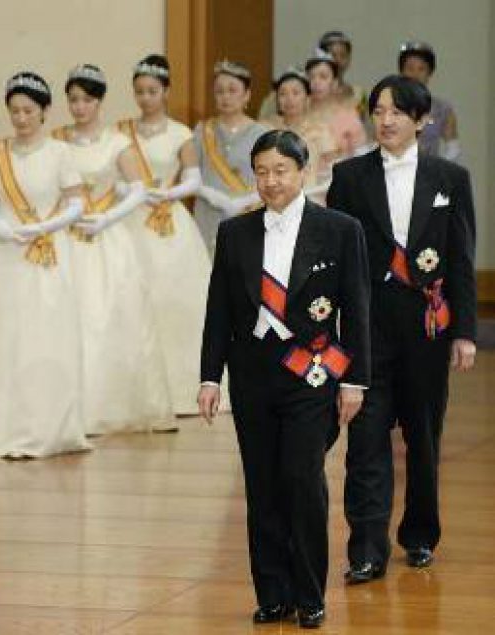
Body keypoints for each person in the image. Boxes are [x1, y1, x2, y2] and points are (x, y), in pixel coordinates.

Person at [199, 129, 370, 629]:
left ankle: (310, 593)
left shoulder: (339, 229)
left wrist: (356, 380)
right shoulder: (235, 233)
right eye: (262, 171)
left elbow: (356, 310)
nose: (270, 181)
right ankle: (273, 592)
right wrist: (210, 377)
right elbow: (219, 312)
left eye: (281, 170)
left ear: (304, 172)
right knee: (263, 485)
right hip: (252, 376)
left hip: (310, 375)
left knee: (302, 480)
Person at [328, 75, 477, 583]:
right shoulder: (348, 177)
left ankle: (419, 536)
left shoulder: (449, 179)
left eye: (396, 111)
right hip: (366, 330)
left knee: (423, 437)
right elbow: (335, 260)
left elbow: (460, 257)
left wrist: (464, 332)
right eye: (378, 110)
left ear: (421, 119)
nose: (386, 120)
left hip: (427, 329)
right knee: (366, 440)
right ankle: (367, 549)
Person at [0, 72, 91, 458]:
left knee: (43, 334)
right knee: (6, 336)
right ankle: (1, 426)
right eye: (14, 110)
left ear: (45, 112)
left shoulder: (59, 153)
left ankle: (46, 426)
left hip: (47, 255)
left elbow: (77, 204)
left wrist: (45, 225)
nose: (20, 118)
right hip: (5, 253)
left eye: (28, 110)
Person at [52, 64, 171, 434]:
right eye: (73, 100)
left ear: (99, 101)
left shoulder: (117, 141)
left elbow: (138, 189)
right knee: (67, 319)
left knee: (105, 319)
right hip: (66, 236)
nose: (79, 107)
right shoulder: (57, 140)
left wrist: (108, 218)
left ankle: (104, 407)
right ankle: (64, 408)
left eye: (86, 100)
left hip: (106, 238)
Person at [118, 53, 220, 418]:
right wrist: (132, 193)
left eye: (151, 91)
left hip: (170, 220)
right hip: (132, 218)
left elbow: (193, 177)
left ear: (165, 92)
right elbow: (115, 175)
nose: (145, 98)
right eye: (139, 91)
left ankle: (183, 388)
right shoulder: (121, 132)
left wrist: (169, 193)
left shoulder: (180, 132)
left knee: (178, 302)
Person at [194, 60, 269, 249]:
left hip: (248, 212)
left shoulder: (261, 133)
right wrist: (214, 197)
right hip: (208, 214)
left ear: (247, 95)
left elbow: (268, 177)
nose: (225, 97)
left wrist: (244, 201)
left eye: (232, 90)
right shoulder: (203, 130)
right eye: (219, 91)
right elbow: (192, 174)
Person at [263, 67, 336, 203]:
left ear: (307, 98)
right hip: (274, 199)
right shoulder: (267, 129)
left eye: (296, 93)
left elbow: (328, 173)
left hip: (310, 199)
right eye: (283, 94)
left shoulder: (320, 130)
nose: (289, 99)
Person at [259, 30, 366, 120]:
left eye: (343, 55)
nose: (337, 60)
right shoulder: (291, 93)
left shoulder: (359, 94)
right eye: (332, 54)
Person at [398, 41, 461, 161]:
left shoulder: (442, 109)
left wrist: (438, 170)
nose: (415, 74)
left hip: (429, 174)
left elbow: (453, 148)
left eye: (421, 69)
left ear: (429, 73)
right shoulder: (387, 107)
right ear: (401, 72)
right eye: (410, 68)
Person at [306, 50, 368, 162]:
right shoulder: (299, 113)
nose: (316, 82)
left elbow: (361, 156)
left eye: (323, 77)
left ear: (334, 83)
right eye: (311, 77)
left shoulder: (348, 116)